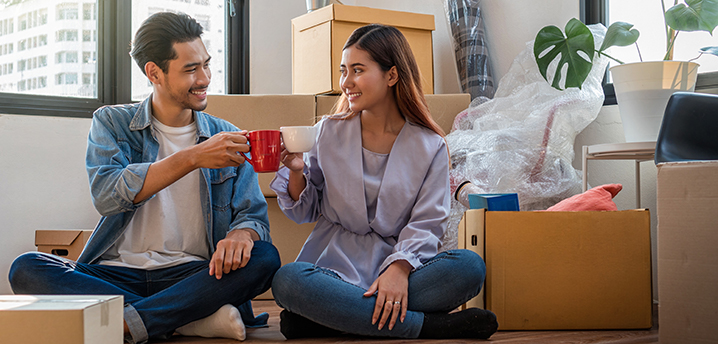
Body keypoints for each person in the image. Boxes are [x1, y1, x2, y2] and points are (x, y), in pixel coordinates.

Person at [8, 12, 280, 344]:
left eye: (206, 64)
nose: (205, 78)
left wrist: (242, 233)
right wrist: (192, 156)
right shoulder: (112, 123)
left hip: (194, 275)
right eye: (191, 69)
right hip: (116, 274)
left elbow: (253, 215)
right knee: (27, 268)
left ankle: (142, 319)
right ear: (155, 72)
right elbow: (107, 195)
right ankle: (185, 319)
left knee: (265, 257)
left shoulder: (226, 135)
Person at [269, 24, 499, 340]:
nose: (345, 83)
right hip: (332, 270)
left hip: (403, 267)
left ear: (391, 75)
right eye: (343, 71)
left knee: (469, 267)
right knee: (289, 281)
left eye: (358, 70)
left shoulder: (430, 146)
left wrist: (399, 268)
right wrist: (296, 170)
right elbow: (304, 211)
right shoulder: (327, 131)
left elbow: (427, 223)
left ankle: (332, 318)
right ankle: (427, 327)